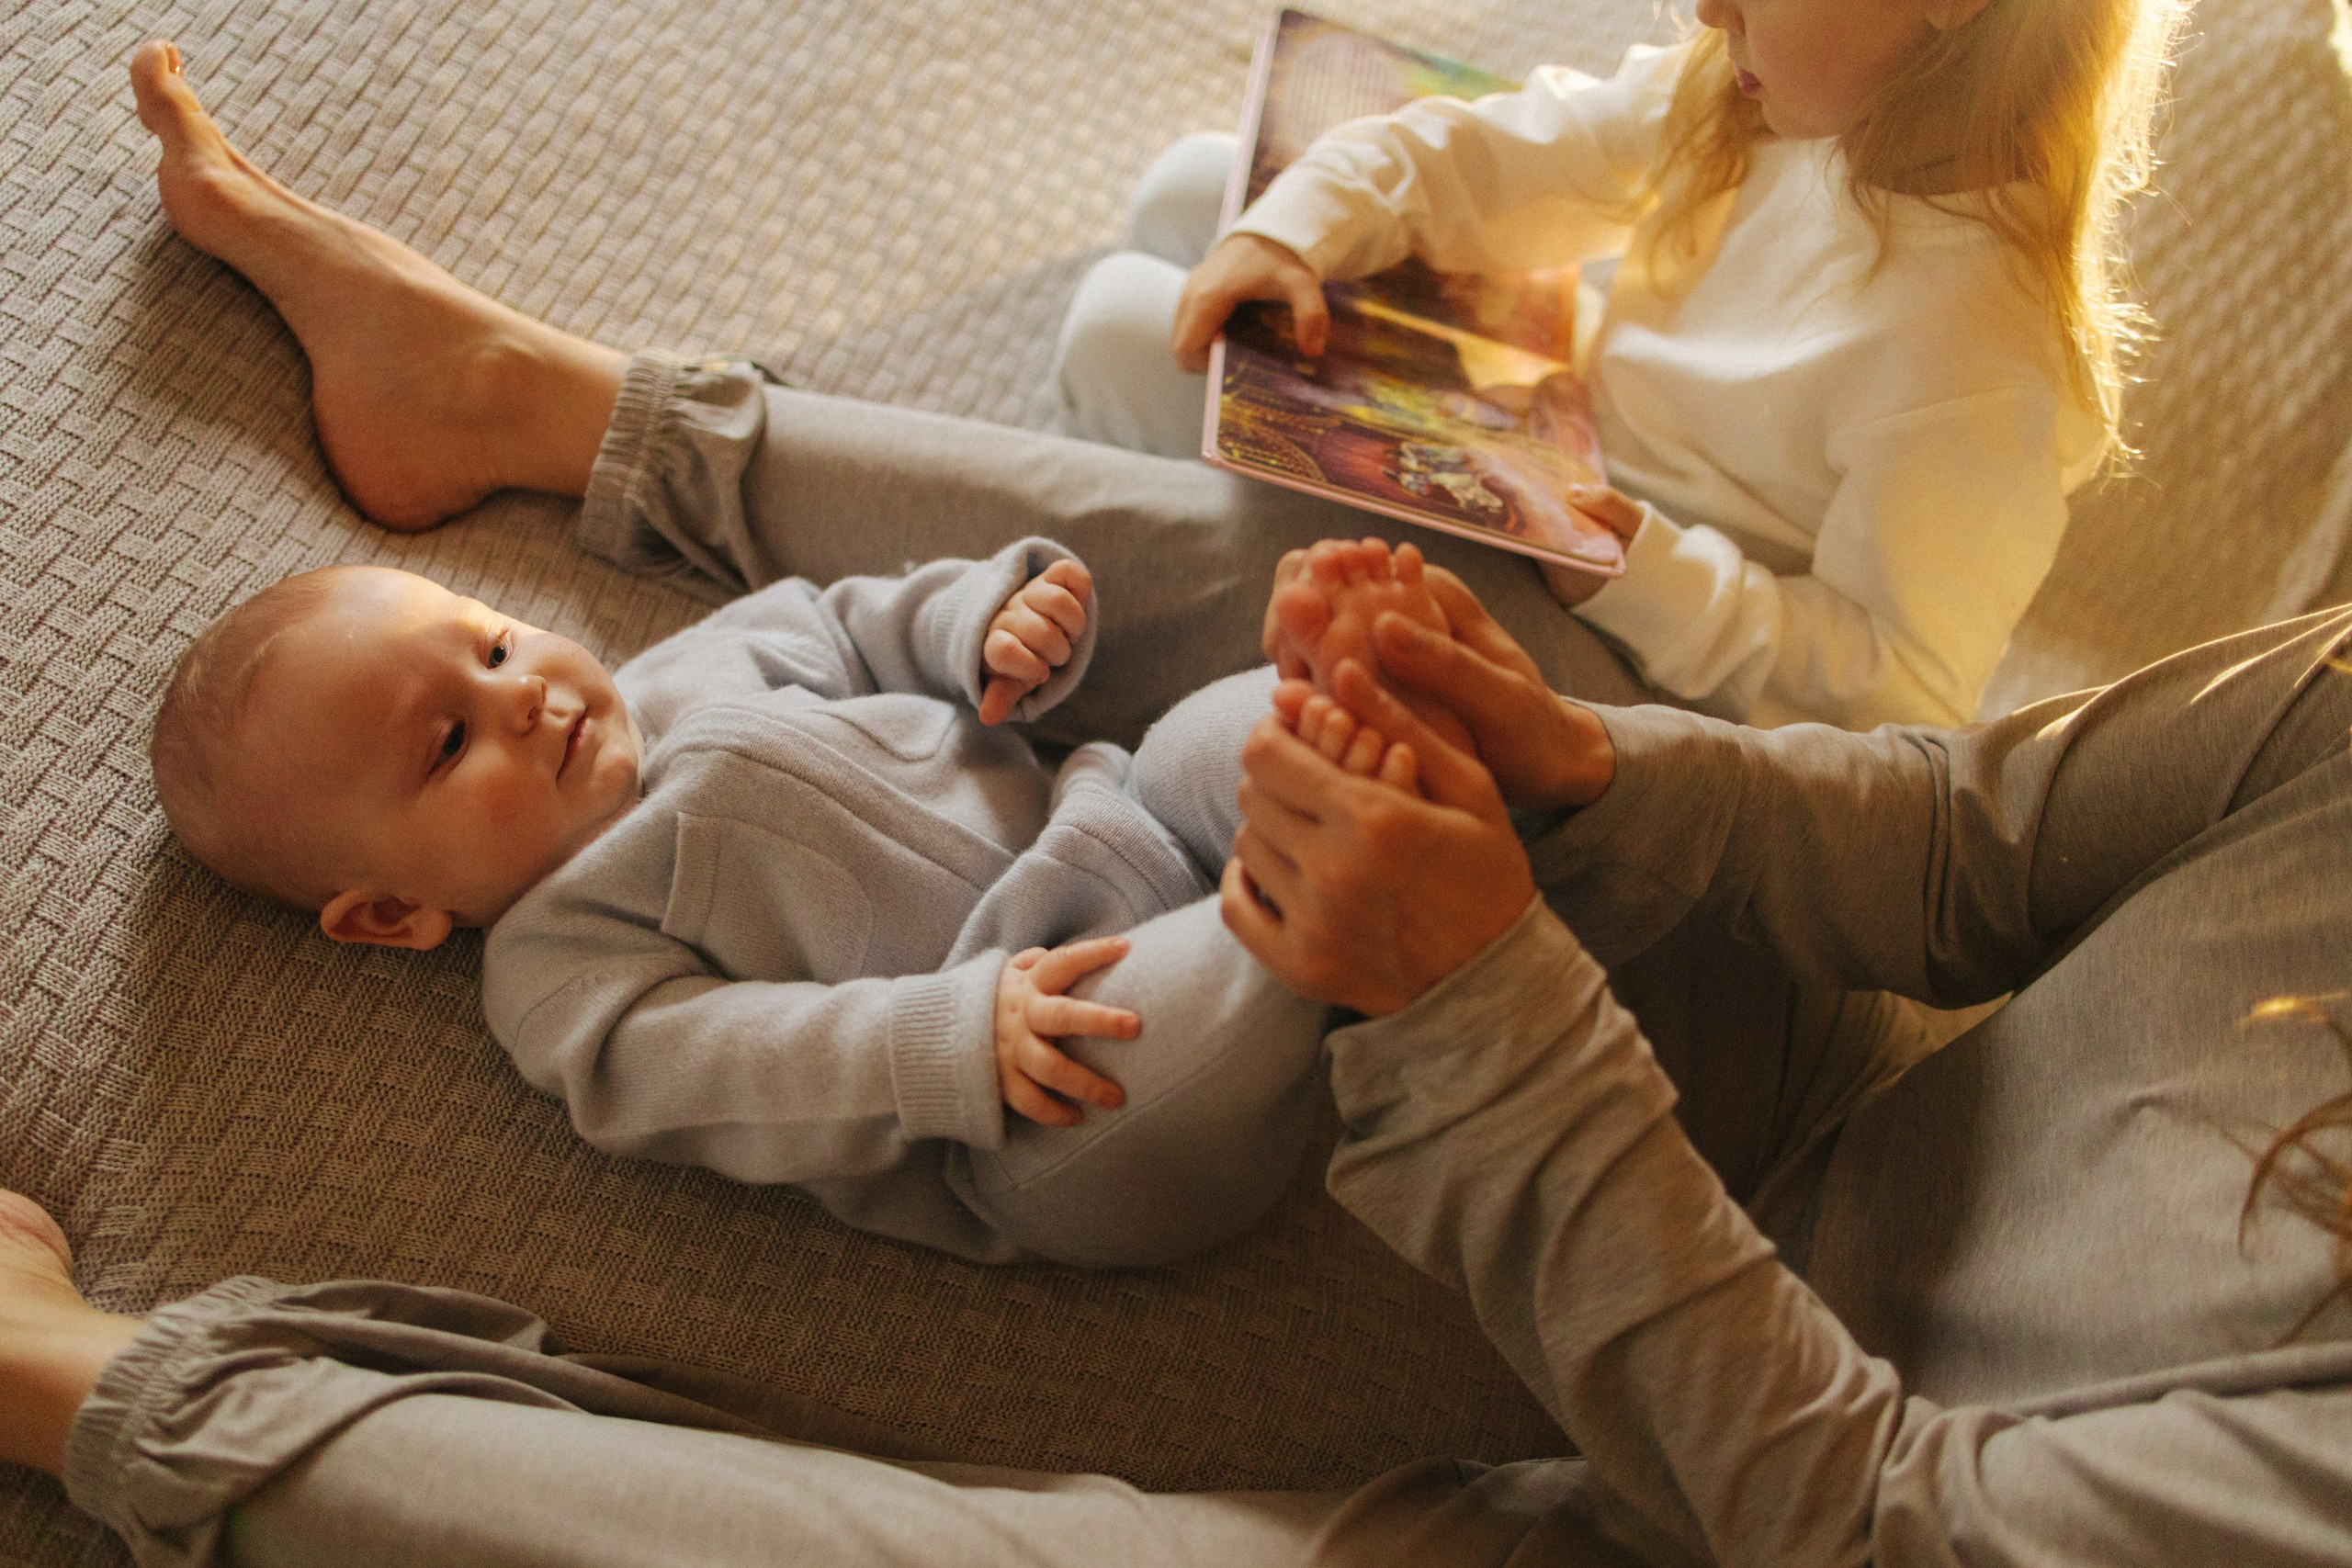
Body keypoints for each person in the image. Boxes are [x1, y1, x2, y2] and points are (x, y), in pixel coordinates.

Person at [7, 547, 2351, 1566]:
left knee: (1221, 730)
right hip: (1036, 1059)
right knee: (1336, 623)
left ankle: (1317, 924)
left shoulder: (686, 676)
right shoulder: (559, 970)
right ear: (393, 911)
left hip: (1107, 852)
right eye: (448, 733)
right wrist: (1565, 765)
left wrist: (978, 620)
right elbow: (728, 1064)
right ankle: (571, 405)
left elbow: (851, 619)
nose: (533, 691)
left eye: (503, 646)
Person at [1058, 0, 2193, 731]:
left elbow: (1901, 694)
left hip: (1625, 636)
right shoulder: (1771, 91)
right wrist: (1299, 228)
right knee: (1204, 188)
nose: (1706, 8)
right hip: (1565, 443)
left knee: (1114, 329)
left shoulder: (1987, 354)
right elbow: (1520, 156)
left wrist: (1636, 570)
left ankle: (1138, 580)